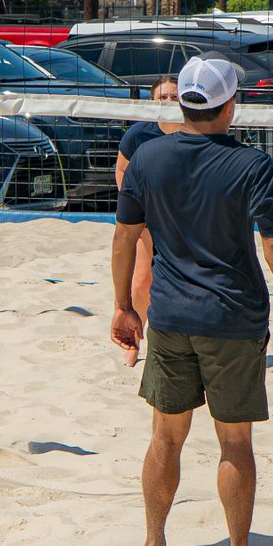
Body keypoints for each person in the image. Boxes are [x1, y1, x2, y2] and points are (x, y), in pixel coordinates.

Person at [110, 55, 273, 546]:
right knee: (234, 442)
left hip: (172, 315)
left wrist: (122, 307)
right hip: (233, 318)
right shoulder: (252, 165)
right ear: (231, 104)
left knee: (165, 437)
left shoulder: (148, 158)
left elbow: (125, 238)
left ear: (181, 100)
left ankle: (154, 545)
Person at [114, 75, 182, 363]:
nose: (168, 102)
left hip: (183, 222)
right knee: (142, 282)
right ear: (152, 103)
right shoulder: (138, 134)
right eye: (162, 98)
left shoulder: (195, 131)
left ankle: (175, 345)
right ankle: (134, 340)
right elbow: (121, 172)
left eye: (174, 97)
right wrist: (136, 215)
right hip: (146, 220)